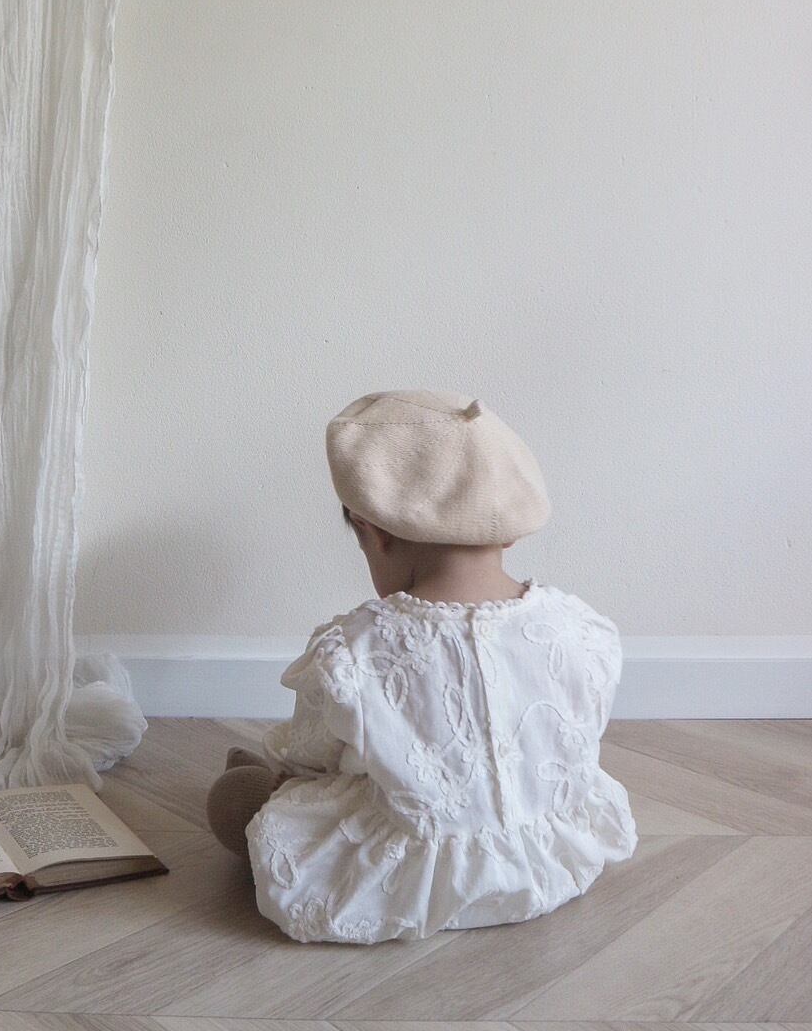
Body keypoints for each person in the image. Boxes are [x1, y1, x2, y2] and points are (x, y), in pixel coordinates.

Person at [206, 389, 637, 944]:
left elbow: (313, 758)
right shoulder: (581, 630)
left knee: (236, 798)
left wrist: (288, 781)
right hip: (549, 866)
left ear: (373, 532)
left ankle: (253, 783)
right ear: (508, 529)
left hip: (406, 883)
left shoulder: (352, 651)